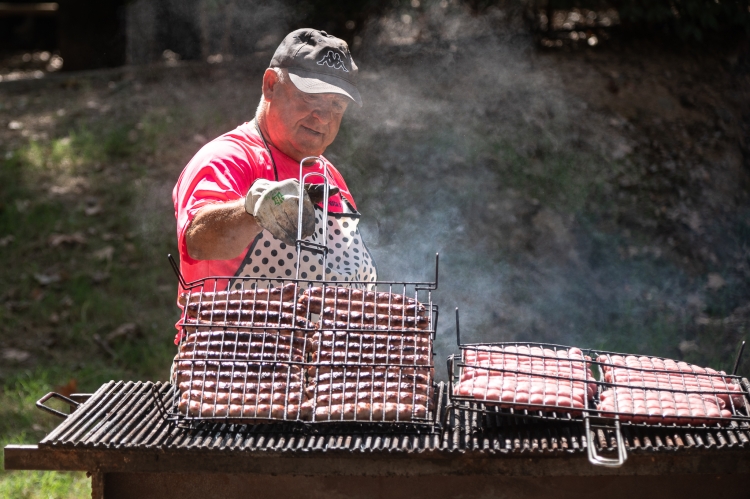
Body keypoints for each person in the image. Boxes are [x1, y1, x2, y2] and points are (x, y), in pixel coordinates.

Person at [172, 29, 377, 295]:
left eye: (336, 105)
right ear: (271, 85)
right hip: (234, 336)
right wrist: (252, 211)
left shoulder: (329, 176)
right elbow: (199, 241)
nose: (324, 117)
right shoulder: (228, 158)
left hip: (320, 337)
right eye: (310, 97)